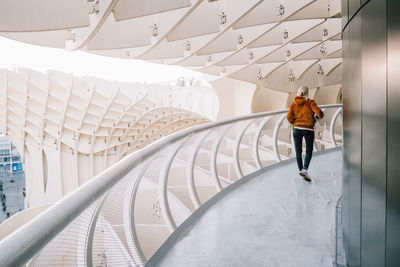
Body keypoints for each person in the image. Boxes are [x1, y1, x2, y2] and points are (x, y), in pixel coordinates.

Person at [286, 86, 324, 182]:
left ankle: (301, 171)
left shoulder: (293, 104)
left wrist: (296, 122)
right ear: (307, 93)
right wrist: (315, 118)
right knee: (308, 151)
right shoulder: (310, 102)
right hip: (308, 129)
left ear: (298, 93)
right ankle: (304, 170)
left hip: (297, 129)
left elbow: (289, 118)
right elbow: (319, 113)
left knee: (298, 152)